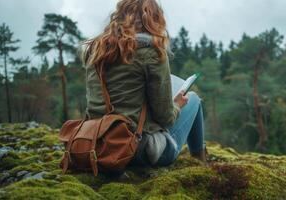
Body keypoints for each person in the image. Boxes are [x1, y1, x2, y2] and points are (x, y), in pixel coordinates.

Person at [82, 0, 207, 167]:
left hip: (96, 145)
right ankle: (201, 161)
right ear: (155, 20)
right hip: (136, 151)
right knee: (193, 99)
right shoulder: (152, 52)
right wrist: (176, 104)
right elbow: (166, 118)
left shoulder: (96, 50)